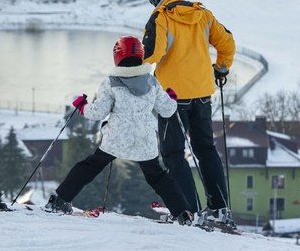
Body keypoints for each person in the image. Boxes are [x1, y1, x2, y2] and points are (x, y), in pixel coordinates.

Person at [45, 35, 194, 225]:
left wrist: (82, 105)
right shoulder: (151, 82)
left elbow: (97, 113)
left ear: (117, 55)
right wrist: (171, 98)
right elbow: (168, 110)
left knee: (89, 167)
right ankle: (182, 213)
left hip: (115, 141)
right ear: (141, 55)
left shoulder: (111, 83)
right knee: (158, 177)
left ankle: (59, 201)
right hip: (144, 142)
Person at [143, 0, 236, 225]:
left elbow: (151, 55)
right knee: (206, 149)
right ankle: (219, 208)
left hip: (172, 97)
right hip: (202, 93)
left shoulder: (161, 17)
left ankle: (187, 211)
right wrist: (221, 69)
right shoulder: (202, 14)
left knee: (173, 153)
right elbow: (227, 43)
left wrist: (130, 72)